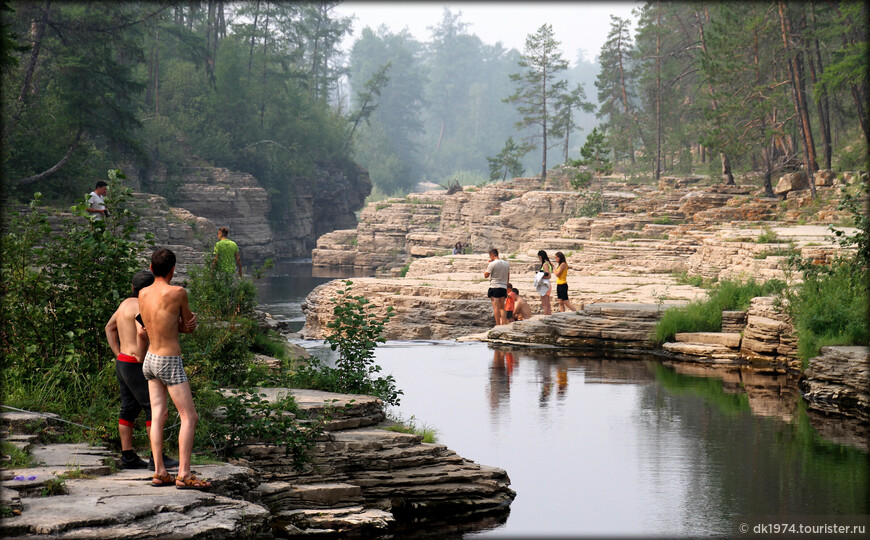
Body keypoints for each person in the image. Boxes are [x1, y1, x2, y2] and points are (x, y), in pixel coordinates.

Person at [138, 248, 210, 489]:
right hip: (169, 360)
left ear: (150, 269)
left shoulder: (143, 293)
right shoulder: (178, 292)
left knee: (158, 415)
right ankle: (184, 473)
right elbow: (188, 327)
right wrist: (189, 323)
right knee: (189, 416)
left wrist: (177, 324)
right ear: (173, 270)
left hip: (150, 359)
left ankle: (159, 472)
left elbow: (152, 326)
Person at [105, 270, 180, 471]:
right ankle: (157, 459)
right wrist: (141, 355)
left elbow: (109, 328)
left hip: (122, 362)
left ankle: (128, 456)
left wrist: (118, 353)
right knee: (154, 409)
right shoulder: (141, 306)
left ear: (132, 287)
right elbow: (142, 333)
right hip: (135, 363)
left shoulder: (124, 305)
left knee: (128, 409)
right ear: (148, 289)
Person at [483, 248, 510, 326]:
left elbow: (486, 275)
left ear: (491, 255)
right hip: (503, 286)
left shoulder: (492, 264)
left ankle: (498, 324)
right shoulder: (506, 263)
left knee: (496, 307)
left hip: (495, 286)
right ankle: (504, 323)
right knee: (502, 307)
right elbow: (508, 276)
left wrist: (488, 265)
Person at [535, 250, 555, 315]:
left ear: (540, 257)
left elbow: (549, 275)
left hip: (545, 285)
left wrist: (540, 276)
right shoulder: (548, 263)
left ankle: (547, 317)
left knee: (545, 304)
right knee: (547, 304)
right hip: (547, 285)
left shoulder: (545, 264)